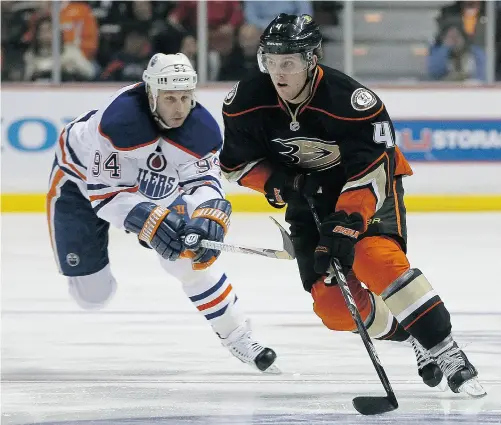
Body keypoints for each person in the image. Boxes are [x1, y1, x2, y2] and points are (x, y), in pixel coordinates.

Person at [220, 14, 485, 397]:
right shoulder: (246, 101)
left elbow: (373, 171)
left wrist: (344, 226)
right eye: (271, 61)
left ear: (312, 59)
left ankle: (446, 349)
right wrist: (280, 182)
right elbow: (236, 165)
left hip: (365, 191)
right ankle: (408, 332)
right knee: (334, 308)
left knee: (372, 257)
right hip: (308, 199)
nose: (278, 72)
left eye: (289, 62)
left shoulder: (351, 102)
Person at [46, 52, 278, 374]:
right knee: (93, 296)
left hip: (150, 182)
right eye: (170, 98)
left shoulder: (201, 130)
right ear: (151, 94)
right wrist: (149, 221)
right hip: (81, 180)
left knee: (188, 259)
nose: (179, 108)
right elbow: (105, 196)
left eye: (185, 97)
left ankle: (238, 335)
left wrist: (207, 214)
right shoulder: (118, 123)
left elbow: (204, 180)